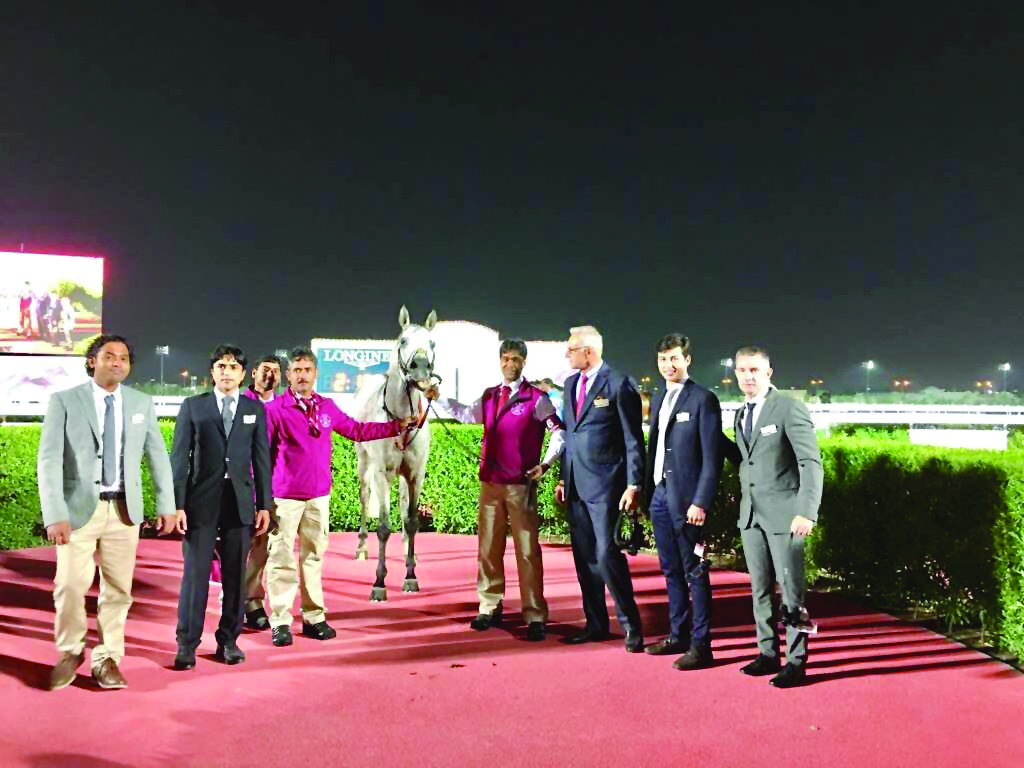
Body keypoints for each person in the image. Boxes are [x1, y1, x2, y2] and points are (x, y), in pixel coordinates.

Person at [37, 334, 176, 690]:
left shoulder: (141, 403)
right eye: (109, 356)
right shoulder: (65, 401)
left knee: (118, 590)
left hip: (124, 512)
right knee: (69, 585)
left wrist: (167, 506)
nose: (117, 363)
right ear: (92, 361)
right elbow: (49, 460)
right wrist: (54, 513)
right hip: (77, 511)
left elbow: (157, 457)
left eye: (124, 358)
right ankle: (70, 651)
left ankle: (108, 658)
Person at [263, 347, 411, 647]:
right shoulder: (275, 409)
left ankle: (314, 616)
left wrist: (395, 427)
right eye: (297, 370)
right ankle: (280, 620)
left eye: (307, 369)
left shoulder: (326, 407)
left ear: (316, 374)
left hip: (318, 496)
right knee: (281, 559)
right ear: (288, 375)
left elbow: (356, 430)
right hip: (284, 497)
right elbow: (262, 456)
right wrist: (262, 499)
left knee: (313, 558)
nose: (302, 375)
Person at [443, 339, 565, 641]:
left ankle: (535, 614)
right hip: (490, 484)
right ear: (500, 361)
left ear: (524, 362)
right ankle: (489, 606)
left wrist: (546, 464)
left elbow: (559, 433)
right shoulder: (489, 396)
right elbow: (465, 414)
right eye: (506, 359)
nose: (510, 364)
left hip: (520, 486)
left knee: (527, 552)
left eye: (516, 359)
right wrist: (438, 399)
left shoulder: (537, 398)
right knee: (488, 550)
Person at [722, 346, 823, 689]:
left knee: (792, 592)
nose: (747, 376)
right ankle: (767, 653)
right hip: (751, 516)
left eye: (754, 370)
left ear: (769, 373)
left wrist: (807, 511)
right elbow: (746, 461)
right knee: (759, 589)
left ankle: (797, 661)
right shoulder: (740, 413)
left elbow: (811, 463)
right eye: (741, 370)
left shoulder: (789, 408)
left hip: (786, 517)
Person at [170, 345, 272, 671]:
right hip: (200, 501)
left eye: (233, 366)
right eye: (220, 366)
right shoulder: (193, 407)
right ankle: (187, 643)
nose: (226, 371)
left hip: (239, 502)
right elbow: (179, 460)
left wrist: (264, 505)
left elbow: (262, 461)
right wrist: (177, 505)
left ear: (244, 374)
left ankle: (228, 640)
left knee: (234, 576)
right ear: (212, 372)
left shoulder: (254, 410)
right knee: (195, 575)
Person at [554, 325, 646, 652]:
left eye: (571, 349)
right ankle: (595, 624)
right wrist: (564, 478)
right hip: (577, 486)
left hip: (608, 487)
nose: (567, 354)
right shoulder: (569, 385)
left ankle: (631, 626)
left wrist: (634, 484)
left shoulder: (619, 384)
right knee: (585, 559)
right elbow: (570, 436)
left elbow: (634, 440)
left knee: (608, 557)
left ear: (589, 351)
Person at [642, 334, 723, 670]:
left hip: (689, 502)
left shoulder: (704, 399)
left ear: (687, 360)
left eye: (674, 358)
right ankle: (678, 634)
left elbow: (712, 456)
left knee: (695, 571)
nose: (668, 365)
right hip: (660, 495)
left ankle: (702, 646)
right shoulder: (660, 397)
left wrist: (701, 501)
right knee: (670, 569)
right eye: (663, 359)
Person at [241, 353, 284, 631]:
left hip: (274, 489)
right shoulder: (240, 402)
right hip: (241, 486)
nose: (270, 375)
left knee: (261, 550)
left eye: (276, 371)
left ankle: (252, 602)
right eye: (265, 370)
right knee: (238, 548)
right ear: (254, 372)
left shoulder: (284, 406)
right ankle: (234, 602)